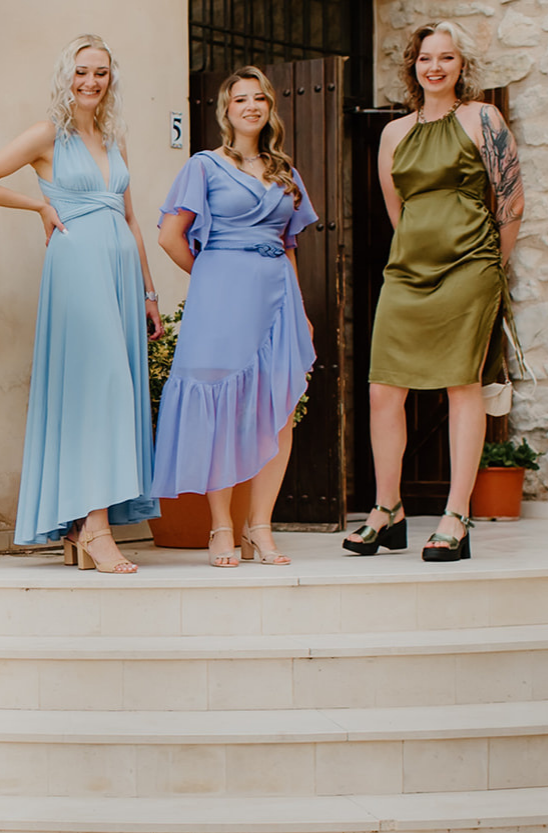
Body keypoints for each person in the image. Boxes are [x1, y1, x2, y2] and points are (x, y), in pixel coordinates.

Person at [0, 33, 163, 574]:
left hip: (121, 275)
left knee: (107, 391)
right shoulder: (47, 133)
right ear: (65, 76)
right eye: (81, 72)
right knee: (104, 388)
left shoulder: (115, 139)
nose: (90, 82)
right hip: (77, 268)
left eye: (100, 72)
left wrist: (148, 292)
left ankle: (79, 527)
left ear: (110, 78)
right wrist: (38, 207)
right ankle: (96, 529)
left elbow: (131, 220)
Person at [346, 20, 523, 562]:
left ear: (460, 66)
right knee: (383, 389)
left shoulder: (483, 118)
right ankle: (388, 509)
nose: (435, 67)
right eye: (426, 58)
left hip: (471, 268)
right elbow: (398, 209)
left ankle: (456, 515)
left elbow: (511, 203)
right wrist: (418, 253)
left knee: (460, 386)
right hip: (408, 272)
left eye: (446, 58)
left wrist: (492, 266)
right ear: (413, 66)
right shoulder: (394, 133)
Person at [154, 66, 318, 567]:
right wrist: (212, 277)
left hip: (277, 299)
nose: (251, 106)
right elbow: (169, 237)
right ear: (226, 110)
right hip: (221, 300)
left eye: (260, 99)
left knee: (279, 409)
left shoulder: (285, 171)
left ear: (270, 109)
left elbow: (289, 246)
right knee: (222, 410)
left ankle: (261, 526)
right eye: (240, 99)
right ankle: (222, 527)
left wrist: (303, 312)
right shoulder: (203, 165)